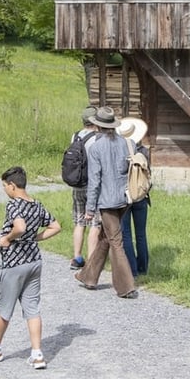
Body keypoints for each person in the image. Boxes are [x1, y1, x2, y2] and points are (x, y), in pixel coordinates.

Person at [0, 165, 61, 369]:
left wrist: (7, 238)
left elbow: (19, 227)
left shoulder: (14, 205)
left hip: (14, 263)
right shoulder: (36, 204)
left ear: (12, 185)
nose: (4, 190)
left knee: (4, 308)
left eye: (4, 186)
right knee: (32, 308)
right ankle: (37, 354)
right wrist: (34, 238)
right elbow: (56, 226)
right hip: (34, 262)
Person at [74, 106, 137, 298]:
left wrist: (90, 209)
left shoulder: (96, 148)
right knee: (105, 238)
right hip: (126, 198)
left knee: (115, 241)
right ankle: (88, 276)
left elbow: (95, 180)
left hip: (107, 202)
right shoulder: (129, 143)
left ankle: (126, 287)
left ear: (98, 126)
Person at [69, 107, 101, 270]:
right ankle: (91, 262)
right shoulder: (97, 139)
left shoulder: (75, 136)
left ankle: (77, 257)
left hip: (77, 185)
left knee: (79, 222)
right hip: (92, 186)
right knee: (95, 224)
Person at [118, 116, 150, 277]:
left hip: (125, 197)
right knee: (141, 234)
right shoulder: (144, 151)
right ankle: (144, 266)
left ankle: (132, 270)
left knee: (126, 234)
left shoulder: (120, 152)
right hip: (142, 196)